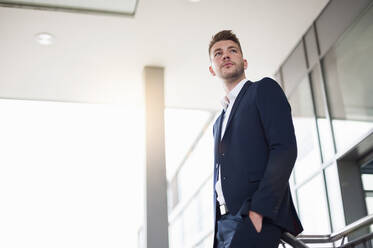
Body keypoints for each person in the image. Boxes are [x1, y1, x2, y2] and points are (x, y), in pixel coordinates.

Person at [209, 30, 303, 248]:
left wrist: (259, 210)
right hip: (222, 223)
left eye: (232, 51)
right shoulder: (218, 122)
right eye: (218, 53)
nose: (226, 55)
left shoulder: (263, 90)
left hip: (253, 215)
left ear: (244, 61)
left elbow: (284, 149)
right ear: (212, 69)